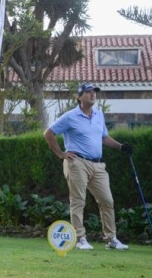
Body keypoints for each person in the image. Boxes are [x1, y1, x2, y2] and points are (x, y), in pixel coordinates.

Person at [43, 82, 133, 251]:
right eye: (88, 92)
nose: (93, 95)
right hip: (77, 163)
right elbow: (48, 133)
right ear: (79, 97)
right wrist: (61, 154)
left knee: (107, 200)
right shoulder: (70, 116)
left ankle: (111, 239)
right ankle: (80, 239)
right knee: (78, 201)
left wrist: (121, 147)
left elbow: (104, 137)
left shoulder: (99, 115)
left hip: (98, 165)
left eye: (94, 92)